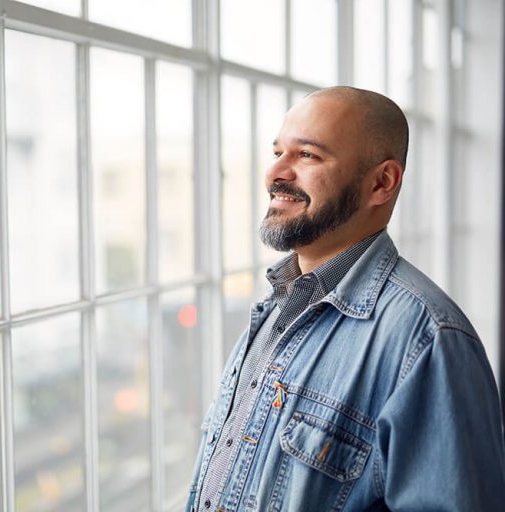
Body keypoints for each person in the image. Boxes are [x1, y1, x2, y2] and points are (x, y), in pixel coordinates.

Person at [187, 86, 505, 512]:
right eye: (278, 151)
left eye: (307, 156)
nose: (276, 173)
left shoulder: (428, 340)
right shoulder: (274, 308)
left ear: (381, 183)